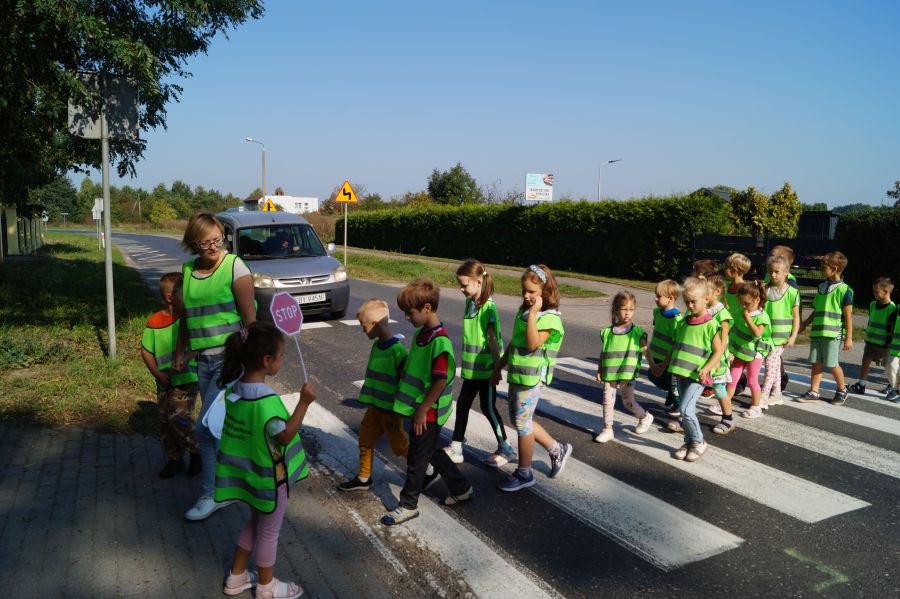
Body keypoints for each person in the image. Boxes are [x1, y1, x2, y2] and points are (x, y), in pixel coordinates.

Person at [215, 321, 315, 599]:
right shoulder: (267, 403)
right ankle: (266, 587)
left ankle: (236, 577)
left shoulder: (234, 392)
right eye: (281, 356)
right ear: (267, 360)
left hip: (248, 479)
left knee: (254, 523)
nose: (282, 360)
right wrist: (304, 403)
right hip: (270, 481)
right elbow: (284, 436)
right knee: (269, 532)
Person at [176, 212, 257, 521]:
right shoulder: (187, 270)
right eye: (205, 242)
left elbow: (250, 321)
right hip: (203, 361)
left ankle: (212, 495)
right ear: (193, 243)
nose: (213, 247)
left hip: (229, 358)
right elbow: (187, 317)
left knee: (205, 428)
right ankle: (235, 483)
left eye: (217, 240)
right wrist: (183, 350)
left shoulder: (234, 266)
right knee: (221, 426)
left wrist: (253, 362)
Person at [381, 278, 473, 525]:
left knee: (416, 460)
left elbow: (440, 380)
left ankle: (408, 505)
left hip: (428, 412)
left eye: (409, 313)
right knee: (430, 450)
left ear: (427, 308)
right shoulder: (422, 334)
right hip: (421, 409)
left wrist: (422, 409)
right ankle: (461, 487)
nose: (406, 318)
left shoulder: (439, 342)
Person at [491, 264, 571, 491]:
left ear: (546, 291)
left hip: (533, 379)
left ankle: (525, 473)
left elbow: (533, 343)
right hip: (518, 375)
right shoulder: (525, 312)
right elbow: (515, 343)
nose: (526, 296)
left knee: (522, 423)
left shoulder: (550, 318)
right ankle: (557, 449)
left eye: (532, 292)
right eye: (524, 291)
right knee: (520, 420)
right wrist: (498, 367)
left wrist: (534, 314)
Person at [444, 259, 516, 467]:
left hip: (486, 371)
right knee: (463, 405)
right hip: (472, 370)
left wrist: (497, 369)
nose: (461, 289)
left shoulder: (488, 309)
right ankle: (456, 447)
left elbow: (492, 340)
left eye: (464, 285)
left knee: (488, 408)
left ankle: (506, 448)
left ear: (478, 282)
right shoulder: (470, 304)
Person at [339, 299, 410, 492]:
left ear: (375, 324)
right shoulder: (377, 345)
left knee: (399, 447)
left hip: (390, 411)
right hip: (374, 408)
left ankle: (423, 467)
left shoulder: (397, 351)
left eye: (364, 326)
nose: (363, 330)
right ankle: (364, 478)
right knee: (365, 440)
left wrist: (404, 406)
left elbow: (405, 380)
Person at [653, 277, 726, 462]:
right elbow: (675, 345)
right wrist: (664, 364)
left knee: (686, 410)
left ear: (706, 299)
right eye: (687, 302)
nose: (690, 305)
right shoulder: (684, 321)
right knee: (686, 411)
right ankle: (688, 441)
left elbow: (719, 351)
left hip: (697, 376)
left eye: (694, 301)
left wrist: (707, 368)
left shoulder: (711, 324)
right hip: (680, 372)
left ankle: (699, 441)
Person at [140, 272, 201, 478]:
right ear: (169, 297)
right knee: (166, 423)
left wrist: (187, 359)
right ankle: (175, 460)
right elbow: (146, 351)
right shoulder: (154, 321)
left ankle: (196, 453)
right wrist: (157, 373)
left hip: (186, 380)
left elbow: (198, 345)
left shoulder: (189, 319)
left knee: (179, 419)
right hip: (164, 382)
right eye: (184, 294)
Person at [594, 291, 654, 443]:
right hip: (610, 372)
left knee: (627, 401)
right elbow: (604, 352)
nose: (627, 313)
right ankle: (607, 429)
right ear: (615, 309)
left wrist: (653, 366)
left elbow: (646, 350)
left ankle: (645, 417)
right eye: (624, 309)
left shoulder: (637, 333)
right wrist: (600, 369)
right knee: (607, 400)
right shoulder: (607, 333)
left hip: (627, 373)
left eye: (631, 309)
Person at [797, 251, 854, 405]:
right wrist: (804, 324)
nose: (820, 269)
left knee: (832, 363)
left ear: (834, 269)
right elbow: (816, 310)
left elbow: (848, 316)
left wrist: (849, 337)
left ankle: (842, 390)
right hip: (817, 332)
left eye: (823, 267)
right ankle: (814, 391)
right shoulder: (821, 286)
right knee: (816, 362)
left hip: (833, 334)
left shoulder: (845, 290)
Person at [723, 281, 773, 419]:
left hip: (755, 353)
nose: (743, 306)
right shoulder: (741, 311)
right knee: (732, 378)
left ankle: (756, 406)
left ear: (757, 300)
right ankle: (725, 403)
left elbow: (757, 333)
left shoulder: (762, 316)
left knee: (752, 380)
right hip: (741, 351)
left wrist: (748, 319)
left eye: (747, 303)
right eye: (741, 303)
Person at [760, 255, 800, 407]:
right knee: (774, 365)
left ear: (786, 272)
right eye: (770, 271)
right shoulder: (765, 289)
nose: (773, 274)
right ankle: (776, 394)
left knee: (770, 365)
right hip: (766, 335)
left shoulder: (792, 292)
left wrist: (793, 336)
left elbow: (796, 317)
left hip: (781, 338)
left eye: (776, 271)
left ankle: (763, 395)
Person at [847, 277, 896, 395]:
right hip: (870, 342)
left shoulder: (892, 308)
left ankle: (892, 385)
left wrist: (889, 346)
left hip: (884, 345)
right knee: (865, 362)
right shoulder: (873, 304)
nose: (874, 293)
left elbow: (892, 329)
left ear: (886, 292)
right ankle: (861, 384)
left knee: (888, 366)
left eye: (876, 291)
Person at [704, 272, 736, 433]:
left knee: (719, 389)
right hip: (702, 357)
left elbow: (723, 342)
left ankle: (728, 419)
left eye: (705, 289)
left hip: (716, 360)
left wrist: (716, 361)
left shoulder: (722, 315)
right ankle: (684, 416)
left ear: (717, 292)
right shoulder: (702, 308)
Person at [646, 279, 682, 414]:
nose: (655, 299)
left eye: (659, 296)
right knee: (653, 376)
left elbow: (676, 342)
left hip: (669, 358)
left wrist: (668, 360)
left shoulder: (676, 319)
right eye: (655, 295)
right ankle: (671, 394)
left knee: (672, 383)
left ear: (670, 298)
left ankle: (678, 404)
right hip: (655, 354)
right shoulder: (656, 312)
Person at [724, 253, 751, 319]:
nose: (724, 269)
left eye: (726, 267)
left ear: (734, 270)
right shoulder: (724, 286)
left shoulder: (748, 288)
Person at [885, 312, 900, 402]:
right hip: (896, 346)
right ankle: (895, 389)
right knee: (890, 367)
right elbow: (892, 323)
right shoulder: (898, 307)